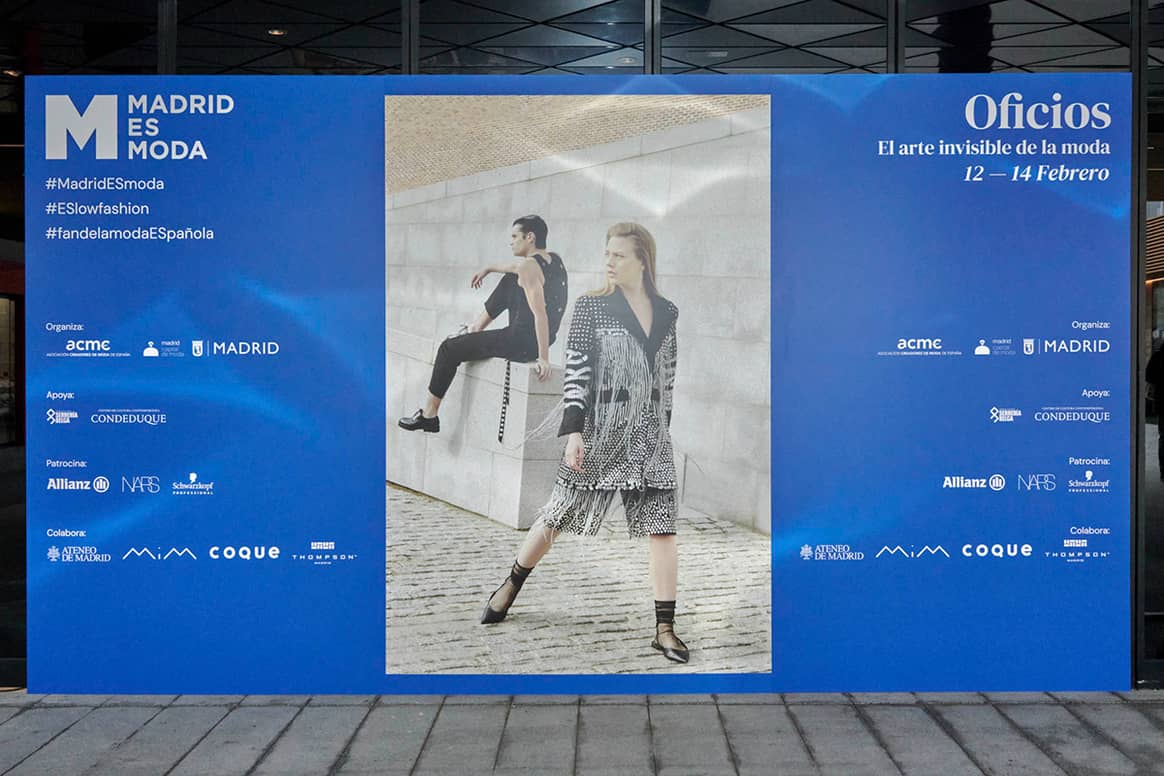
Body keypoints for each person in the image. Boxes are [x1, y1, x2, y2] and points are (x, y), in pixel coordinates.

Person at [478, 222, 689, 664]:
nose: (608, 262)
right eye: (606, 253)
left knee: (663, 527)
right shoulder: (592, 308)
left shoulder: (668, 311)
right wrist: (575, 433)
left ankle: (664, 628)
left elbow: (668, 375)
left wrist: (662, 431)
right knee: (556, 517)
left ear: (642, 262)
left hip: (648, 435)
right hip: (599, 432)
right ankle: (511, 583)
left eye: (619, 255)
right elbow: (576, 375)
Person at [398, 215, 567, 433]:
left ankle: (429, 415)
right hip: (536, 338)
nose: (511, 241)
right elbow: (513, 268)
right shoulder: (554, 259)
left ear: (530, 237)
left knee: (448, 349)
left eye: (515, 236)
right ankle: (475, 328)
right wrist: (488, 268)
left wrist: (543, 357)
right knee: (509, 279)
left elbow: (541, 314)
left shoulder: (528, 267)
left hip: (522, 342)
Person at [1149, 338, 1164, 480]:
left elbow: (1149, 378)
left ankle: (1163, 472)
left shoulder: (1157, 356)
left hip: (1161, 403)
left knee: (1163, 437)